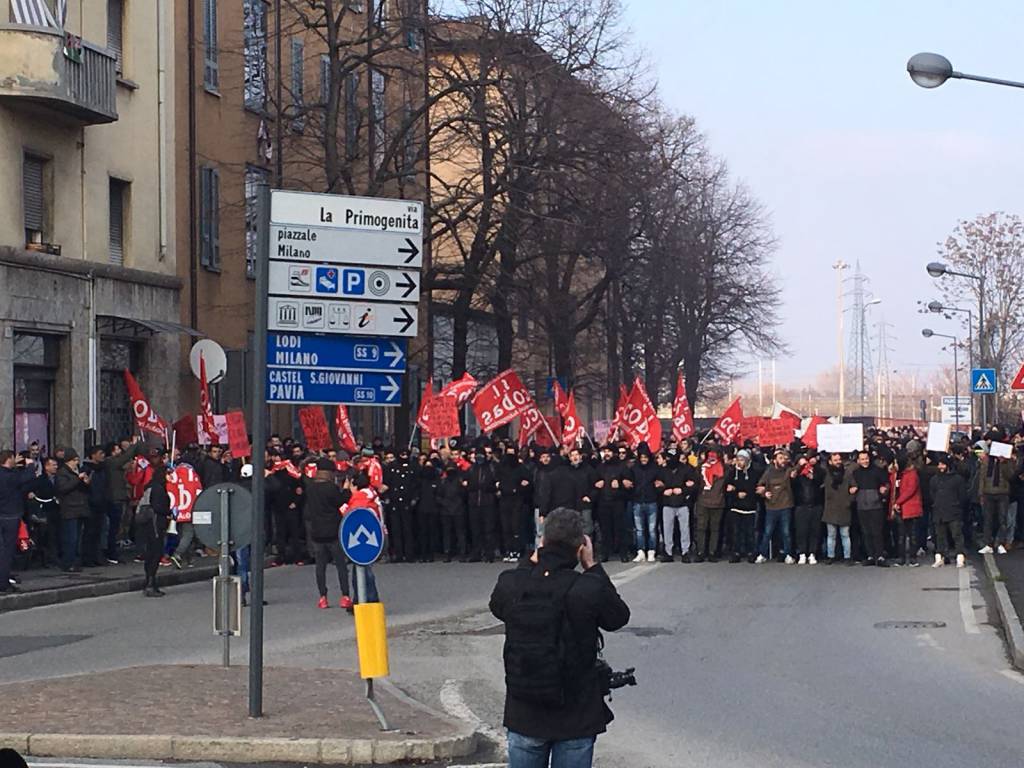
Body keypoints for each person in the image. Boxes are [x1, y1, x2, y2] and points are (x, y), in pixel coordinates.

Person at [489, 508, 630, 768]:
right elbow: (618, 617)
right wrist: (593, 566)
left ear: (542, 542)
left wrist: (531, 561)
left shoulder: (512, 585)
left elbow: (497, 606)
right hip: (575, 714)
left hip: (525, 710)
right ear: (580, 546)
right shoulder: (587, 588)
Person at [305, 459, 352, 610]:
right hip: (333, 529)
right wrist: (346, 489)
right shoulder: (331, 487)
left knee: (320, 566)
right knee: (340, 565)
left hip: (317, 530)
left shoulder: (311, 487)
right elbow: (340, 501)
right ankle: (345, 596)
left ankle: (322, 597)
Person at [0, 451, 37, 593]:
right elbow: (27, 478)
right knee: (7, 551)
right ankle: (3, 583)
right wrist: (30, 465)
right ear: (8, 459)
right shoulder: (11, 476)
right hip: (10, 516)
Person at [137, 449, 172, 597]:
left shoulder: (151, 487)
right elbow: (159, 507)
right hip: (155, 524)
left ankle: (149, 582)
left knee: (151, 553)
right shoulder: (158, 489)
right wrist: (168, 511)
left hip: (148, 523)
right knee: (155, 553)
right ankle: (151, 583)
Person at [656, 446, 697, 562]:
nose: (670, 460)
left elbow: (693, 485)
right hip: (667, 503)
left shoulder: (687, 469)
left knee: (685, 529)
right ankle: (668, 552)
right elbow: (656, 485)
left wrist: (683, 490)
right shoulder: (662, 470)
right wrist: (663, 490)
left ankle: (685, 552)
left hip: (683, 503)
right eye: (668, 458)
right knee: (667, 529)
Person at [756, 449, 796, 564]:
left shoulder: (788, 470)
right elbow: (759, 486)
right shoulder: (768, 472)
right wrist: (764, 493)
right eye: (780, 458)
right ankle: (762, 554)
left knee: (786, 532)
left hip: (786, 506)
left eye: (784, 458)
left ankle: (788, 554)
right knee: (767, 532)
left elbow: (795, 471)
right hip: (771, 507)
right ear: (774, 460)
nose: (783, 460)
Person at [54, 449, 91, 572]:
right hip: (69, 509)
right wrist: (77, 479)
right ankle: (68, 562)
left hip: (80, 508)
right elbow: (63, 488)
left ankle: (76, 561)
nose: (76, 463)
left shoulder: (77, 471)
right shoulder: (62, 473)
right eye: (74, 460)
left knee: (77, 538)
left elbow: (84, 489)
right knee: (71, 537)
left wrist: (86, 483)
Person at [851, 450, 890, 567]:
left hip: (876, 505)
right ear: (858, 460)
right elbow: (851, 486)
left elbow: (886, 483)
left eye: (866, 458)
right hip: (861, 505)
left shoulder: (877, 471)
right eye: (862, 459)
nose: (864, 461)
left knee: (877, 531)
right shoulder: (855, 473)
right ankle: (870, 556)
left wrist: (884, 489)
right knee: (865, 532)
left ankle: (880, 555)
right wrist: (852, 490)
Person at [594, 445, 631, 563]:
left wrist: (620, 483)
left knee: (620, 528)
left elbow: (629, 485)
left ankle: (623, 553)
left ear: (614, 453)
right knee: (605, 529)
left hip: (618, 502)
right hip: (603, 502)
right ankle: (605, 553)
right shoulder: (600, 467)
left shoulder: (622, 467)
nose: (607, 453)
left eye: (609, 451)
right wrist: (597, 484)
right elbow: (593, 482)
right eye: (605, 451)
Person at [930, 454, 967, 568]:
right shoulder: (934, 479)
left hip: (953, 511)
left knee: (956, 535)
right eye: (939, 464)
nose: (940, 466)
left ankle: (960, 557)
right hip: (939, 511)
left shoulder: (957, 479)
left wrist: (957, 506)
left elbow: (962, 496)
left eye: (943, 464)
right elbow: (932, 494)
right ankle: (940, 556)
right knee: (939, 536)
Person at [496, 445, 531, 561]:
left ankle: (516, 550)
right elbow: (496, 482)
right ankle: (508, 550)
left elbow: (528, 482)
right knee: (506, 527)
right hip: (504, 501)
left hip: (517, 501)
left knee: (516, 526)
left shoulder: (521, 468)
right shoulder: (501, 468)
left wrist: (517, 489)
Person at [693, 446, 728, 563]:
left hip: (718, 502)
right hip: (703, 501)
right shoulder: (701, 468)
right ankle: (701, 552)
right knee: (701, 528)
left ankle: (712, 552)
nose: (712, 457)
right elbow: (696, 483)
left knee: (715, 528)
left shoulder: (725, 468)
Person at [977, 441, 1012, 555]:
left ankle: (1000, 543)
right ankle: (988, 544)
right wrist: (981, 494)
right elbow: (982, 478)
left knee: (1002, 519)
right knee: (988, 519)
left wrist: (1004, 463)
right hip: (988, 493)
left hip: (1003, 493)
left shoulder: (1007, 462)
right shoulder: (986, 462)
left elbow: (1011, 476)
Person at [889, 454, 923, 567]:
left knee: (912, 535)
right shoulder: (897, 474)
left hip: (909, 507)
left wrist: (898, 502)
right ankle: (901, 558)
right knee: (901, 535)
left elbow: (910, 490)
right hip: (899, 509)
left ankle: (913, 558)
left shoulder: (912, 474)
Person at [627, 443, 659, 563]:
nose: (644, 459)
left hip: (651, 501)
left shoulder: (655, 468)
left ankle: (651, 551)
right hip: (637, 501)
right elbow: (629, 481)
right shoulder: (634, 468)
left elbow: (660, 481)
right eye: (642, 457)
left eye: (645, 457)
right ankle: (640, 551)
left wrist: (659, 485)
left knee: (652, 529)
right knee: (639, 530)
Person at [725, 449, 758, 563]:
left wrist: (746, 493)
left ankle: (750, 552)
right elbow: (728, 488)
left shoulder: (753, 473)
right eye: (738, 459)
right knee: (736, 532)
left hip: (750, 507)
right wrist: (736, 493)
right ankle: (736, 552)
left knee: (750, 532)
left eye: (742, 459)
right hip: (736, 507)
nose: (740, 462)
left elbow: (755, 488)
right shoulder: (732, 473)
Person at [821, 453, 855, 564]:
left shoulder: (847, 473)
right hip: (830, 507)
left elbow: (854, 487)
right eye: (835, 460)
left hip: (844, 507)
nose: (838, 462)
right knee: (831, 535)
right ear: (830, 462)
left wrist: (849, 500)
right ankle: (831, 556)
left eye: (839, 459)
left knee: (845, 534)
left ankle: (847, 557)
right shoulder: (826, 474)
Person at [792, 452, 825, 565]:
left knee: (814, 530)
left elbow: (822, 480)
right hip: (801, 505)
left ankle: (812, 553)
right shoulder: (797, 474)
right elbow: (791, 479)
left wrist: (813, 474)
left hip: (816, 505)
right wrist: (800, 467)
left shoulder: (818, 471)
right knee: (801, 531)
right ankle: (801, 553)